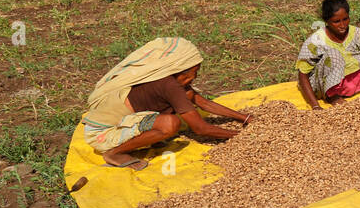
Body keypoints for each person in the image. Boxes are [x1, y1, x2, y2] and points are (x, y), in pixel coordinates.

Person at [82, 37, 251, 170]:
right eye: (194, 72)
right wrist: (240, 136)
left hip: (114, 127)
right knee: (171, 124)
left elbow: (204, 104)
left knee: (179, 107)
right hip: (102, 135)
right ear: (178, 70)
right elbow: (200, 128)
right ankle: (115, 153)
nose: (195, 78)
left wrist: (244, 118)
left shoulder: (168, 82)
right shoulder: (169, 86)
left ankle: (146, 137)